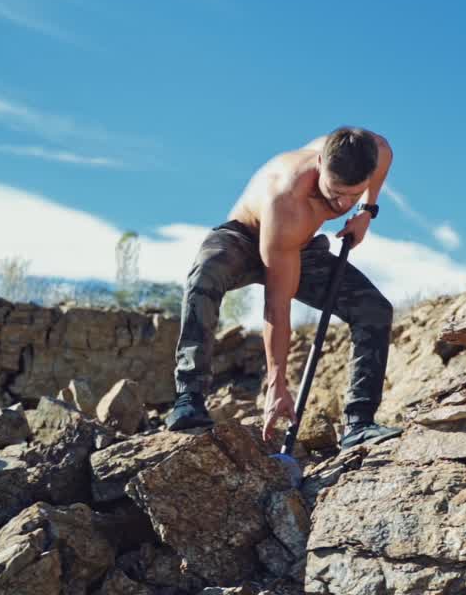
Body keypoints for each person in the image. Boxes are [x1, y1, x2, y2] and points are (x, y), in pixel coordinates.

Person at [165, 126, 402, 451]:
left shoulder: (376, 150)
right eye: (335, 192)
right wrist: (277, 384)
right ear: (320, 163)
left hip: (299, 246)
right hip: (245, 239)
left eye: (353, 193)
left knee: (374, 309)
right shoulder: (288, 199)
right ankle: (189, 397)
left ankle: (359, 423)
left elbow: (381, 159)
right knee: (205, 274)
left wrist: (366, 211)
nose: (343, 203)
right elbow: (278, 305)